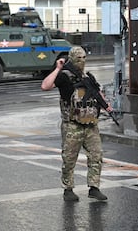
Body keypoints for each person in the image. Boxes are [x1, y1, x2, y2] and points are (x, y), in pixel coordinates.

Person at [41, 46, 113, 201]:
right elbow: (45, 86)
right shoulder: (64, 76)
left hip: (90, 124)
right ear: (72, 59)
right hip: (72, 125)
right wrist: (58, 68)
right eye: (78, 58)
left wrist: (106, 105)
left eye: (84, 58)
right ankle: (68, 189)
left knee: (96, 155)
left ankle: (94, 187)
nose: (82, 61)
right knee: (69, 159)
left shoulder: (88, 77)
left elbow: (97, 91)